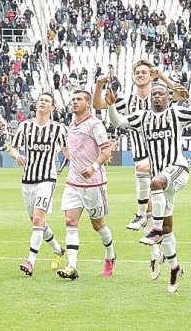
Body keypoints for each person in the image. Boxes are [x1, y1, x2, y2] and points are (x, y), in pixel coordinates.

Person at [107, 83, 191, 293]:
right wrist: (110, 106)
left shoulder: (177, 113)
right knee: (168, 229)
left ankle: (155, 230)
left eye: (161, 93)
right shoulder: (142, 117)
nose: (156, 96)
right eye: (154, 93)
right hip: (162, 179)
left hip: (178, 169)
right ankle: (174, 268)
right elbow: (118, 122)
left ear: (168, 97)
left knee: (155, 184)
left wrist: (188, 97)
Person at [93, 60, 181, 279]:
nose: (140, 75)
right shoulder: (127, 100)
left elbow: (181, 94)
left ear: (150, 76)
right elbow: (99, 106)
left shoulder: (161, 96)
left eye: (144, 72)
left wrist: (162, 76)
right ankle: (155, 254)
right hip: (140, 154)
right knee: (155, 211)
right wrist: (98, 87)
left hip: (162, 158)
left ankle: (141, 214)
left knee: (147, 189)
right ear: (133, 77)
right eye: (137, 73)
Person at [57, 90, 115, 281]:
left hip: (94, 183)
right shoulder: (71, 125)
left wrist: (94, 166)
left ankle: (110, 255)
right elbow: (70, 149)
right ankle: (72, 266)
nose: (74, 102)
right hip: (73, 182)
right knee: (70, 222)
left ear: (88, 103)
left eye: (79, 99)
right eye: (73, 99)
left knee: (97, 225)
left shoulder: (95, 125)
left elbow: (106, 150)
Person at [10, 92, 67, 276]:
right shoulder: (25, 126)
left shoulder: (58, 129)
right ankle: (57, 248)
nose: (43, 103)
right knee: (38, 222)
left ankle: (30, 261)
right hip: (27, 180)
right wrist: (17, 155)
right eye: (41, 100)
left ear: (52, 107)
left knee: (37, 219)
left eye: (47, 101)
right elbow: (13, 149)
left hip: (46, 179)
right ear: (36, 104)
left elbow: (68, 152)